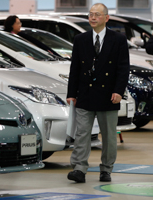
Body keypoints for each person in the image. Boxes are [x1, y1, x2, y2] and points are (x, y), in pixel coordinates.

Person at [66, 3, 130, 183]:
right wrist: (72, 93)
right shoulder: (80, 39)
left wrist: (119, 91)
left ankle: (106, 169)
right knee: (82, 134)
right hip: (85, 94)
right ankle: (79, 168)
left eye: (97, 15)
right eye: (90, 14)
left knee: (109, 136)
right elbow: (75, 68)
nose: (93, 18)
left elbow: (123, 68)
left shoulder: (118, 39)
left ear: (106, 18)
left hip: (108, 95)